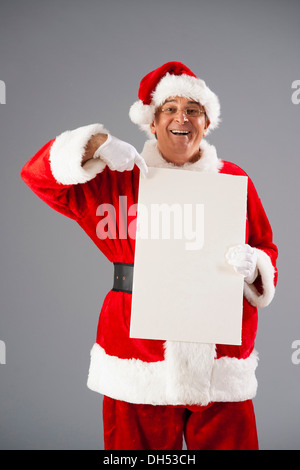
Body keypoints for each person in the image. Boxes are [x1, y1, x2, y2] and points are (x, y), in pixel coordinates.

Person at [21, 61, 278, 450]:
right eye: (170, 109)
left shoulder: (235, 180)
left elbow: (265, 248)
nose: (182, 118)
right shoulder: (115, 179)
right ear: (152, 123)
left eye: (193, 110)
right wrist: (96, 144)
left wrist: (253, 266)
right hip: (137, 353)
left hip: (221, 354)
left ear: (206, 124)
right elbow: (39, 176)